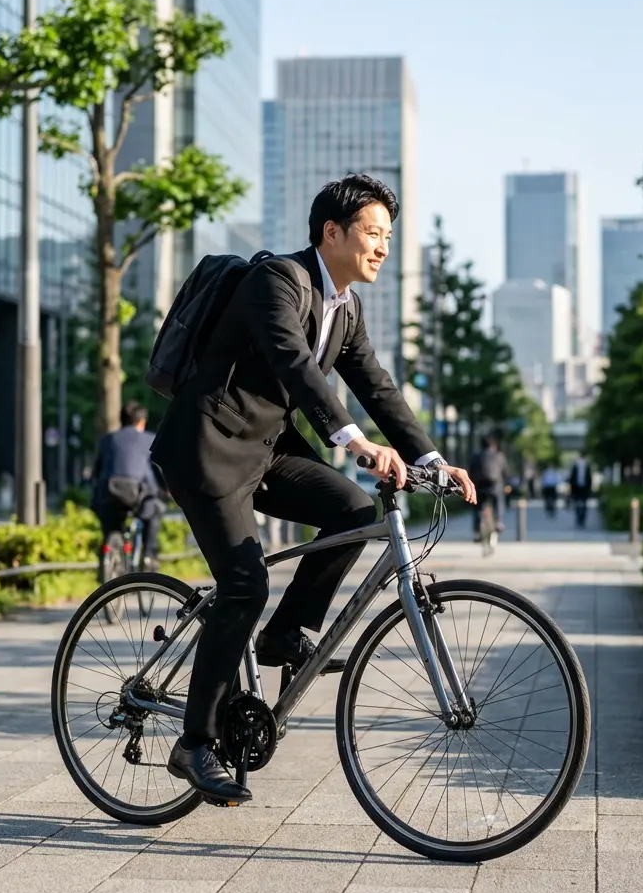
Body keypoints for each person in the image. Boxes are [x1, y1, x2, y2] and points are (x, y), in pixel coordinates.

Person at [149, 175, 477, 803]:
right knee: (244, 582)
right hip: (208, 449)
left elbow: (377, 385)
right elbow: (295, 367)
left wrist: (432, 459)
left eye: (388, 237)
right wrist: (354, 443)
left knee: (353, 508)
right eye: (373, 234)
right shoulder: (275, 281)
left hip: (266, 452)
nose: (383, 247)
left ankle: (282, 635)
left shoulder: (346, 308)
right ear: (332, 232)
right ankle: (192, 744)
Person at [91, 401, 165, 570]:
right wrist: (166, 489)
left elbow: (97, 470)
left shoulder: (107, 440)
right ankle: (148, 554)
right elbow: (158, 470)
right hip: (136, 493)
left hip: (108, 492)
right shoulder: (148, 440)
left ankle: (108, 555)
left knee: (111, 525)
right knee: (154, 511)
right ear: (142, 421)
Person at [469, 436, 509, 539]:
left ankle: (477, 530)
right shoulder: (499, 455)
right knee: (499, 501)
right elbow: (505, 472)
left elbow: (471, 472)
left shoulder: (476, 456)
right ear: (494, 446)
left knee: (477, 507)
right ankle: (499, 522)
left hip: (479, 486)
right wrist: (507, 484)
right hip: (494, 485)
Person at [569, 454, 593, 528]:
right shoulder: (575, 467)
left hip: (584, 489)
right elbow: (572, 479)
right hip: (576, 488)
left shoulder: (587, 467)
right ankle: (578, 518)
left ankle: (582, 519)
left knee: (584, 505)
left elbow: (589, 479)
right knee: (577, 504)